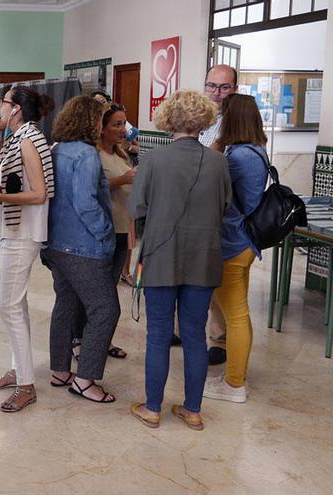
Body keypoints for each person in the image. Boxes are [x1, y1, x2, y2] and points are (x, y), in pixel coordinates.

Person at [128, 90, 231, 431]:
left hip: (159, 256)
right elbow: (225, 206)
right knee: (195, 335)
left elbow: (137, 208)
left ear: (168, 119)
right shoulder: (219, 162)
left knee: (158, 335)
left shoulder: (154, 160)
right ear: (203, 120)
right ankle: (193, 410)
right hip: (204, 257)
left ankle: (153, 408)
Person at [0, 86, 54, 413]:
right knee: (15, 305)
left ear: (18, 108)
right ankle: (18, 370)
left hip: (23, 232)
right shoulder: (17, 135)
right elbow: (14, 181)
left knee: (7, 307)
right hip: (13, 228)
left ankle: (26, 385)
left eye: (4, 104)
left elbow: (38, 194)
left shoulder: (28, 139)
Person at [45, 95, 119, 404]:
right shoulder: (87, 155)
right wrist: (105, 233)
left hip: (56, 244)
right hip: (83, 247)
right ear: (92, 122)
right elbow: (86, 203)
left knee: (66, 302)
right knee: (105, 309)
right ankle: (85, 379)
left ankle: (61, 370)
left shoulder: (57, 149)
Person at [203, 94, 268, 404]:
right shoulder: (256, 150)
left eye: (223, 117)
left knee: (236, 315)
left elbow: (205, 177)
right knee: (239, 313)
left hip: (231, 242)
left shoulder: (236, 157)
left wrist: (217, 145)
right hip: (245, 241)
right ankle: (236, 376)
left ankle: (234, 385)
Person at [71, 103, 135, 362]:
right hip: (102, 232)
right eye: (116, 124)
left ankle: (102, 339)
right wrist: (124, 180)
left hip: (123, 230)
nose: (123, 130)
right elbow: (91, 190)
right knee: (94, 292)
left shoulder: (121, 155)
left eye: (124, 123)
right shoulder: (93, 156)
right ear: (102, 128)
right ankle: (79, 339)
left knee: (109, 291)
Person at [199, 63, 238, 365]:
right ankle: (184, 330)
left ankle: (220, 338)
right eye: (212, 85)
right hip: (194, 204)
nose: (217, 93)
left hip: (220, 209)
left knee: (216, 277)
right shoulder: (199, 116)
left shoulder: (236, 122)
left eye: (224, 87)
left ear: (234, 90)